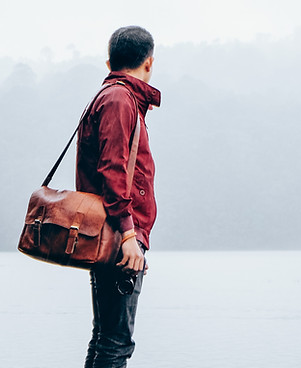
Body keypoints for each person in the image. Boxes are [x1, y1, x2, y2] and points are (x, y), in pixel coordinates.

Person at [76, 25, 161, 368]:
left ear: (110, 60)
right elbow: (112, 171)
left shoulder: (115, 96)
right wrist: (128, 235)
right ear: (149, 63)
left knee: (106, 339)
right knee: (116, 343)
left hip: (113, 234)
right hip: (118, 236)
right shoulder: (119, 100)